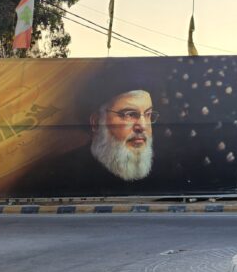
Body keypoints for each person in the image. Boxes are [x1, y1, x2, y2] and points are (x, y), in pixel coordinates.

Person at [9, 67, 161, 197]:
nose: (142, 125)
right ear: (96, 122)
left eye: (148, 115)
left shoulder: (162, 173)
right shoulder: (57, 175)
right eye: (129, 114)